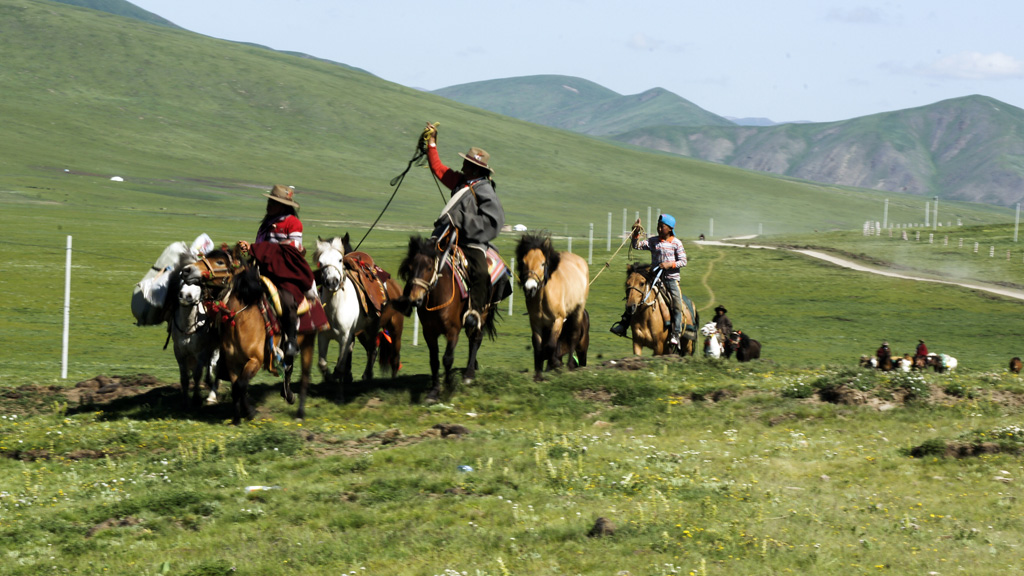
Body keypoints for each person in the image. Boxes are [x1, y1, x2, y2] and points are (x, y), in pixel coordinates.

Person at [424, 123, 505, 331]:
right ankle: (411, 300)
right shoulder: (461, 182)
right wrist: (431, 143)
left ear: (477, 169)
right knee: (421, 257)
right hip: (446, 235)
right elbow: (439, 169)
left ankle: (475, 312)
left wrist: (461, 220)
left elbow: (493, 221)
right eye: (465, 162)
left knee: (480, 271)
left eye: (467, 164)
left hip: (472, 241)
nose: (463, 166)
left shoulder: (485, 190)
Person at [238, 185, 315, 363]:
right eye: (269, 201)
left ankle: (291, 341)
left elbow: (293, 248)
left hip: (285, 271)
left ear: (283, 205)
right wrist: (250, 249)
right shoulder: (267, 222)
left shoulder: (293, 223)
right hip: (264, 268)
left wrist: (258, 248)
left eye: (273, 202)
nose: (269, 204)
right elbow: (261, 247)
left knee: (288, 301)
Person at [611, 214, 687, 349]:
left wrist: (670, 265)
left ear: (669, 228)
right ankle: (624, 324)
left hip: (671, 280)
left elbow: (683, 261)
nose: (659, 229)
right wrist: (636, 233)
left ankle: (675, 333)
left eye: (662, 226)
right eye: (658, 226)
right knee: (634, 294)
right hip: (654, 278)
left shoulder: (677, 243)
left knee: (677, 304)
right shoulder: (653, 241)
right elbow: (637, 246)